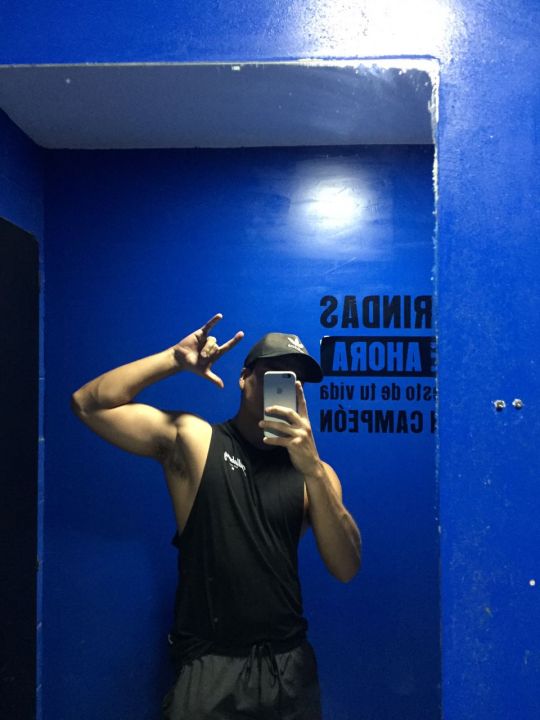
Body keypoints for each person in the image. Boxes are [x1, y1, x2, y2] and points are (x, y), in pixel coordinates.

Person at [71, 313, 361, 720]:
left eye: (295, 381)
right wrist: (172, 361)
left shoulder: (316, 474)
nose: (284, 386)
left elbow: (346, 568)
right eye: (274, 374)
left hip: (288, 667)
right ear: (245, 378)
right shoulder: (197, 441)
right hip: (211, 667)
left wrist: (312, 468)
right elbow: (88, 404)